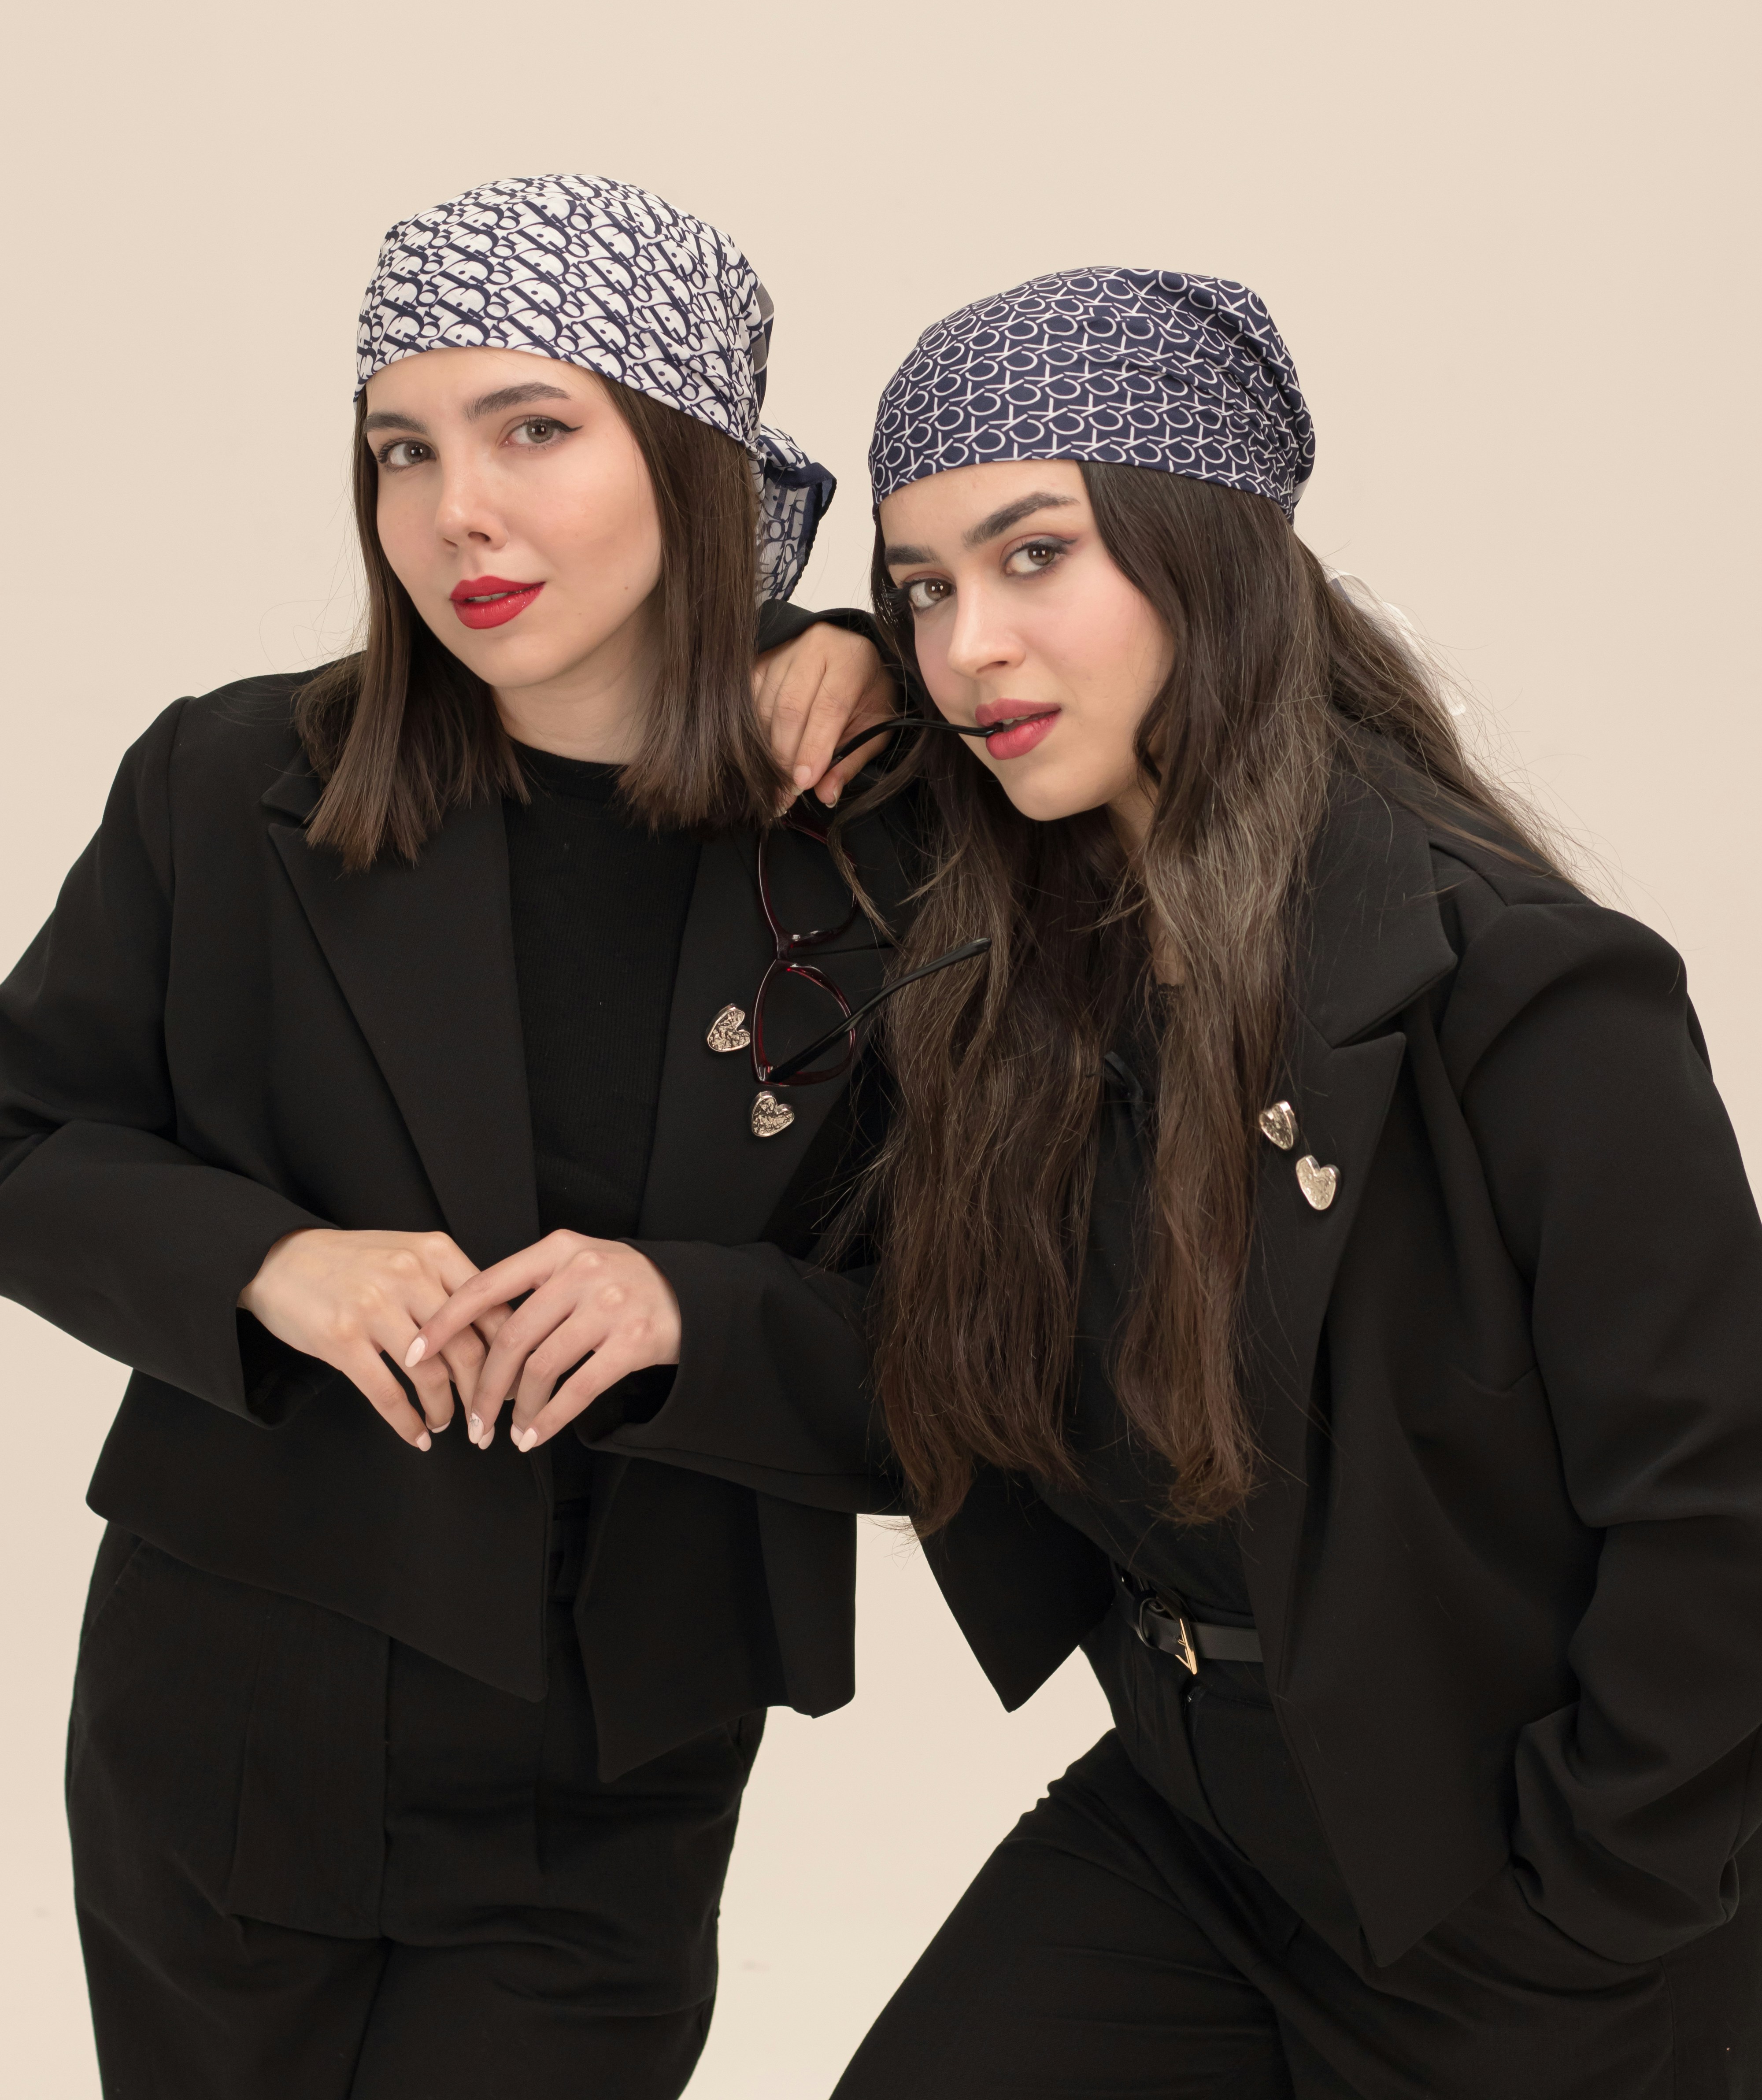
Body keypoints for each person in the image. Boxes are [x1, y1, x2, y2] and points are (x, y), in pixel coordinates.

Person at [419, 267, 1762, 2096]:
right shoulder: (1023, 962)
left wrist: (1591, 1903)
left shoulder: (1517, 985)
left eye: (1032, 555)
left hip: (1512, 1892)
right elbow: (967, 1393)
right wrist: (676, 1317)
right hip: (1203, 1827)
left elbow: (1713, 1507)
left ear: (1206, 553)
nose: (968, 646)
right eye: (924, 588)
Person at [0, 172, 905, 2100]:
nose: (453, 513)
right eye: (400, 446)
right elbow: (20, 1132)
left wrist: (691, 1315)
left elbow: (992, 1340)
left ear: (692, 461)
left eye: (534, 429)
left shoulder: (875, 846)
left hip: (610, 1774)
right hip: (224, 1724)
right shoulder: (230, 780)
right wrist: (266, 1259)